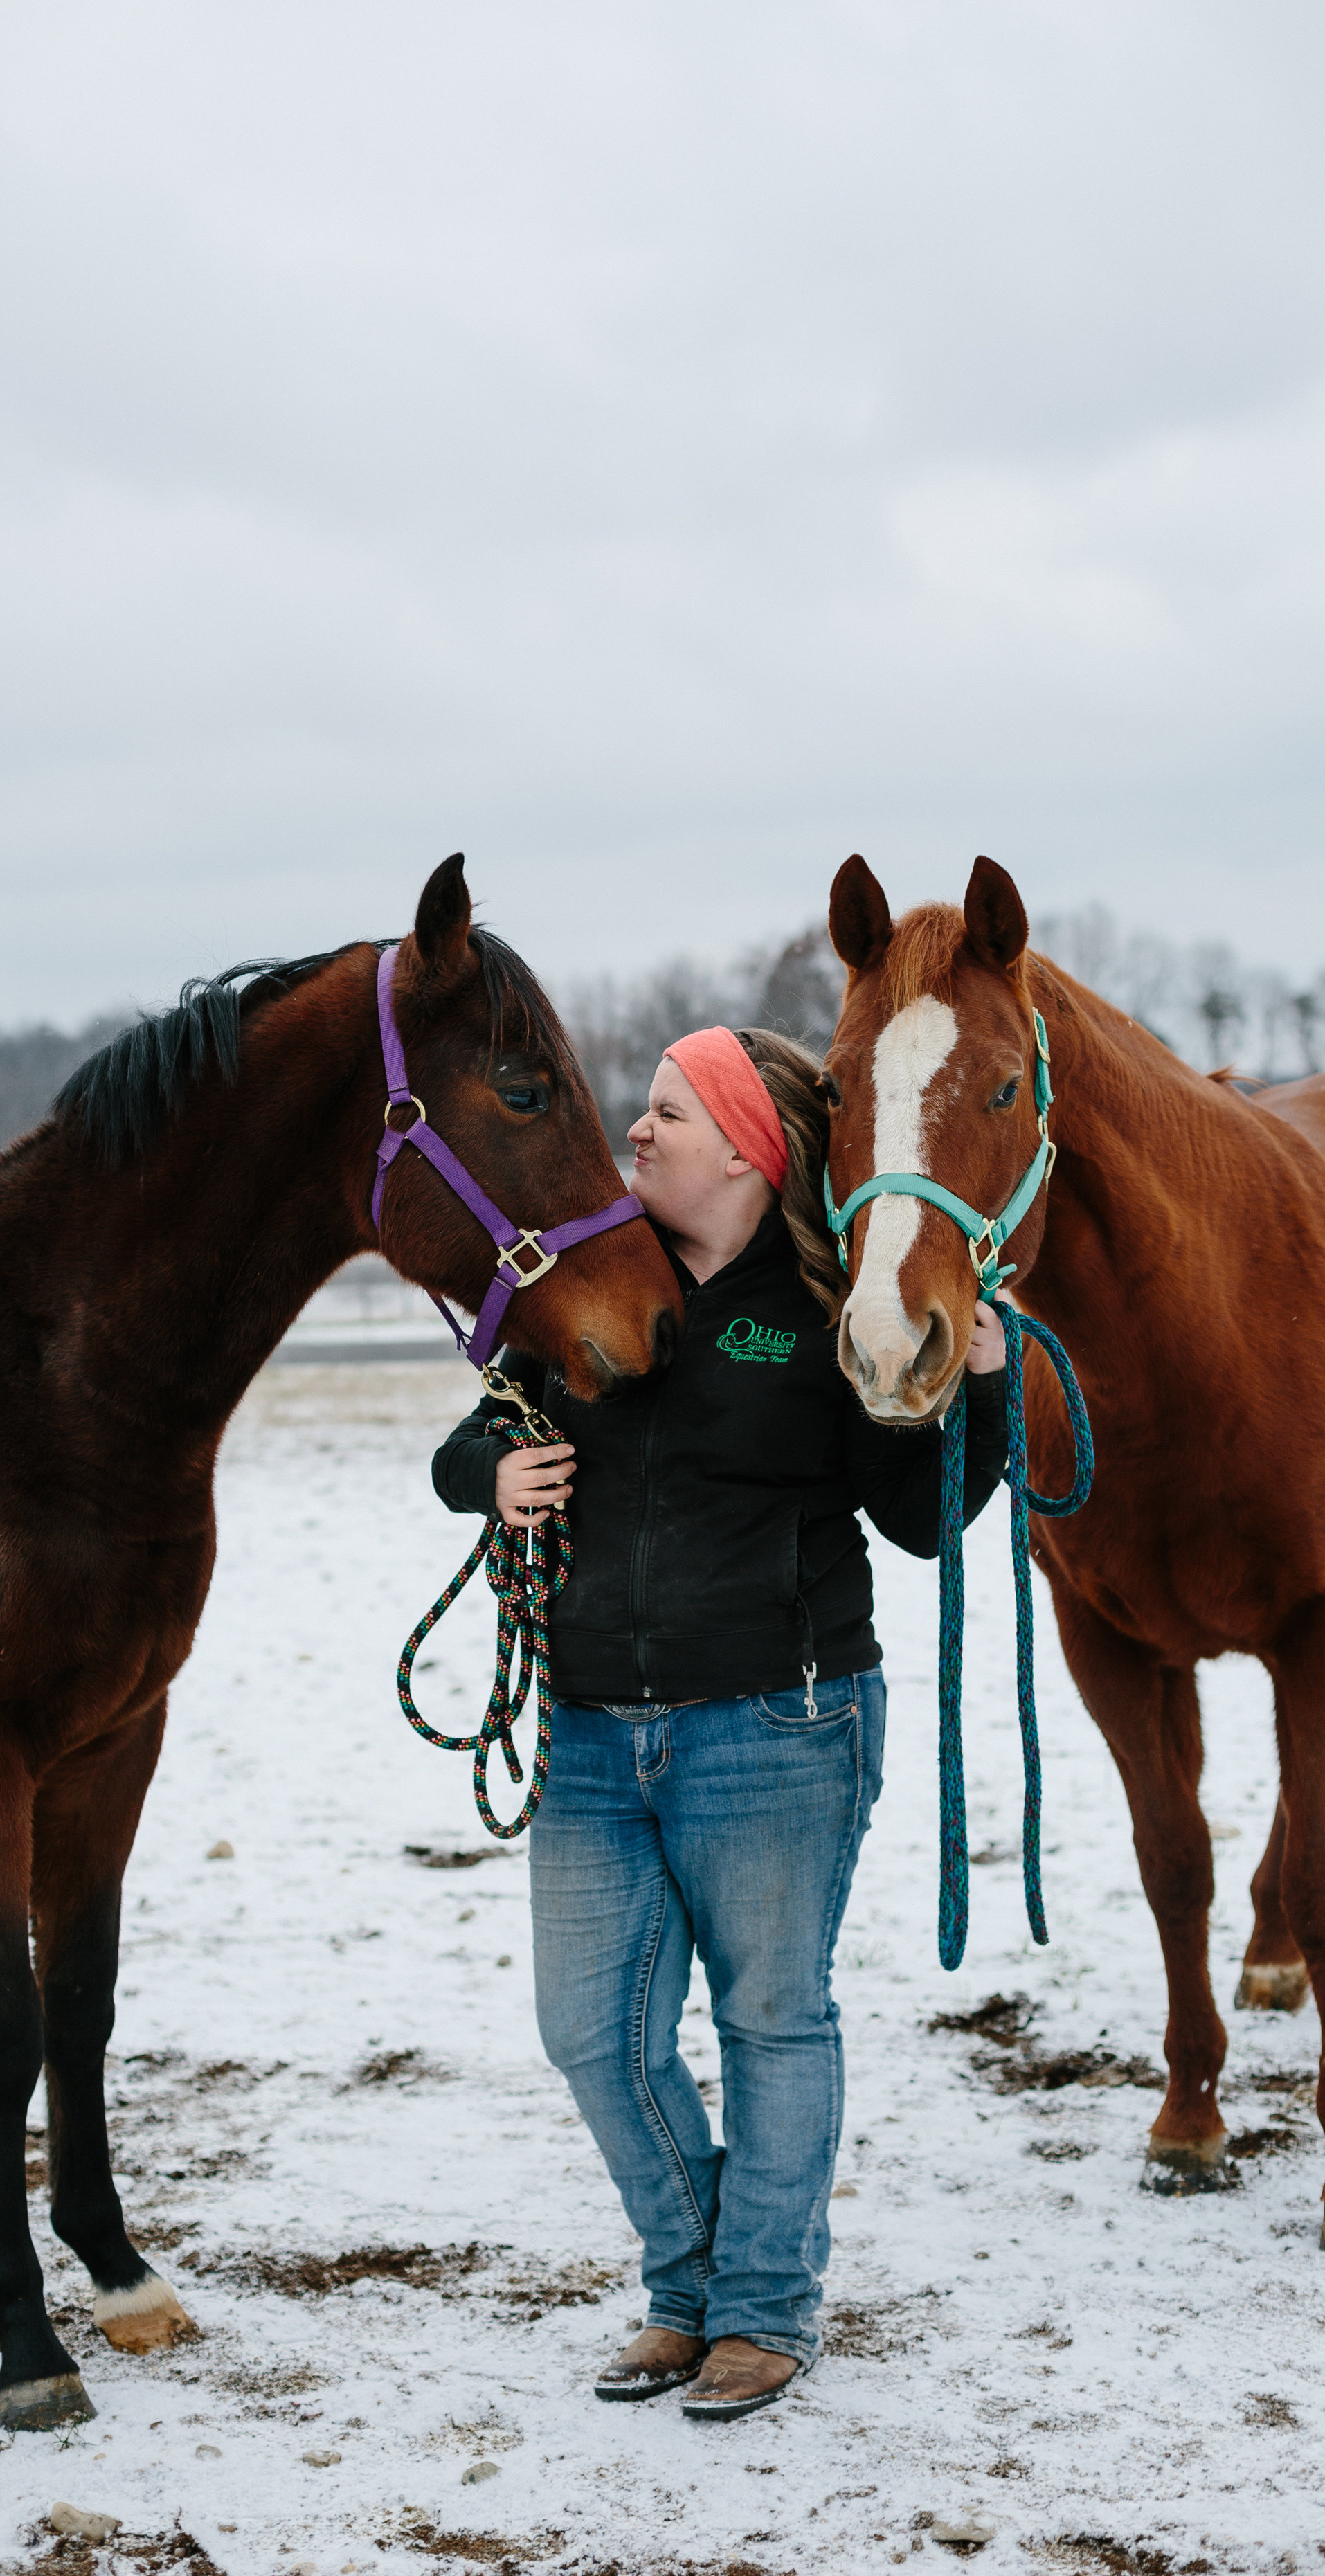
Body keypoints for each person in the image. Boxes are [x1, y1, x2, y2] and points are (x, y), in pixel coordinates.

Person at [431, 1025, 1009, 2421]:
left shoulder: (824, 1310)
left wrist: (979, 1388)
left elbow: (916, 1521)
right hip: (583, 1728)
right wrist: (491, 1470)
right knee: (592, 2033)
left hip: (777, 1722)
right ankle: (688, 2284)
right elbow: (471, 1435)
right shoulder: (577, 1279)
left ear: (752, 1151)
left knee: (768, 2019)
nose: (633, 1133)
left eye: (669, 1116)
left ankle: (754, 2311)